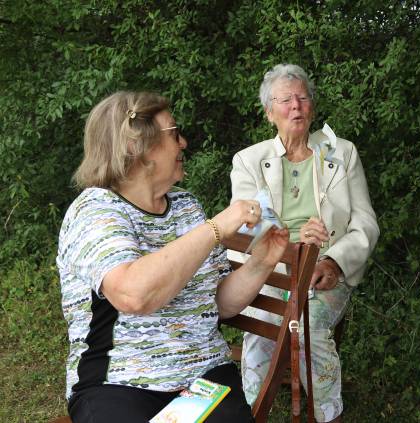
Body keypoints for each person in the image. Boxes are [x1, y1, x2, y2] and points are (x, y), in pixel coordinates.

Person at [58, 91, 290, 423]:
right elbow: (133, 294)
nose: (183, 143)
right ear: (135, 146)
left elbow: (218, 303)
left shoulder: (185, 206)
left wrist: (262, 262)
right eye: (174, 133)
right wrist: (215, 228)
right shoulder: (95, 209)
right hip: (118, 381)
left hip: (204, 378)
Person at [230, 63, 379, 423]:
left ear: (311, 106)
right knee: (262, 327)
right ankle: (253, 412)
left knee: (308, 325)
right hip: (272, 271)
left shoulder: (341, 153)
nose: (295, 106)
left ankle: (328, 416)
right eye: (285, 100)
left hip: (324, 272)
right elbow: (250, 231)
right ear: (270, 113)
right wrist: (293, 253)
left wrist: (333, 262)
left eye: (302, 98)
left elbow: (365, 223)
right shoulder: (249, 161)